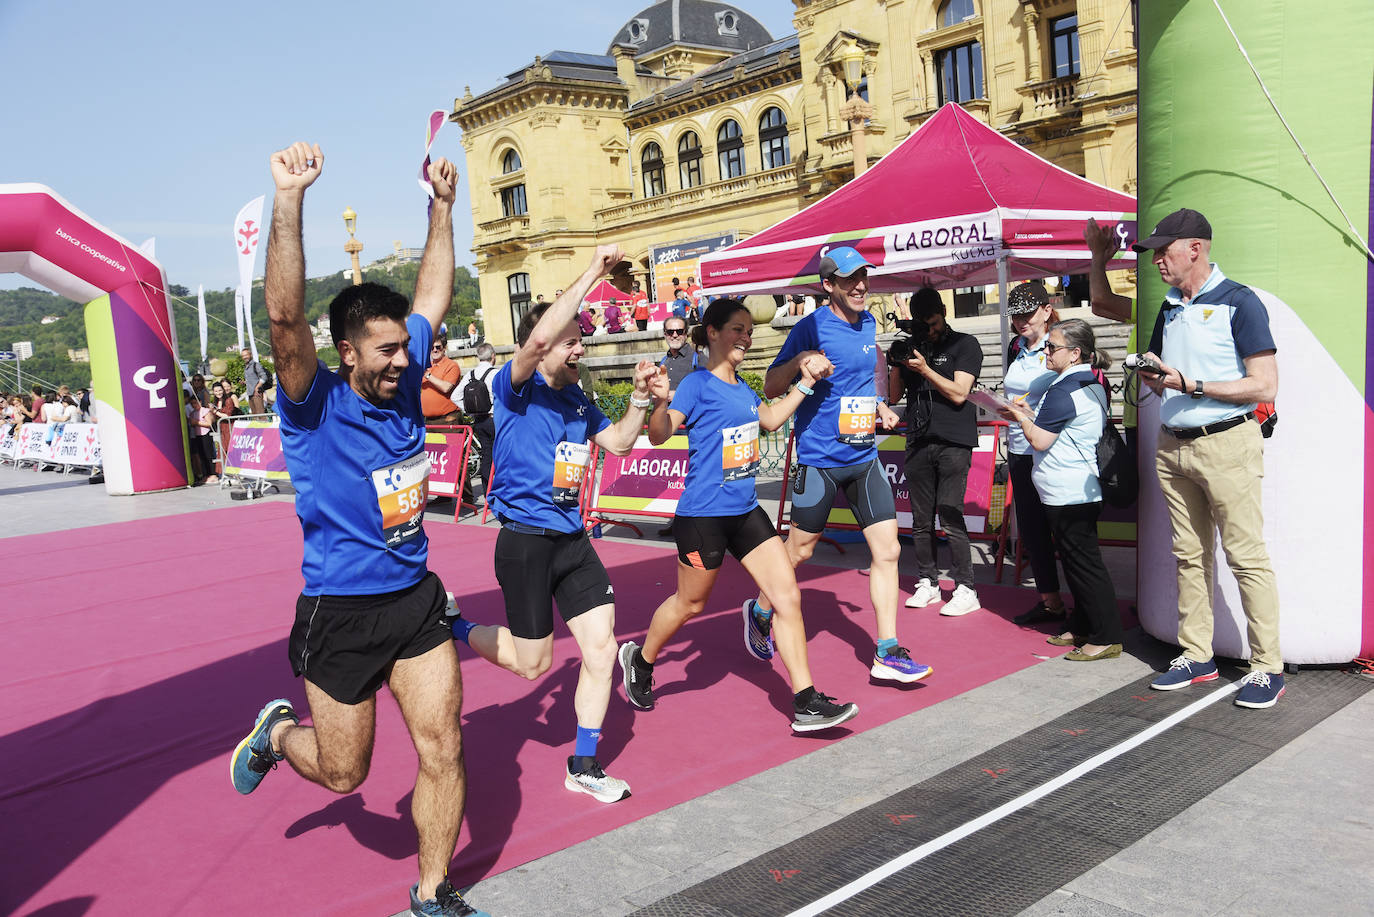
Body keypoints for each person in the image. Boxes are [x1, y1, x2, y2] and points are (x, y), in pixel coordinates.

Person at [228, 141, 489, 917]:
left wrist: (442, 207)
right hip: (338, 612)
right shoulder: (314, 402)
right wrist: (289, 198)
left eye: (405, 348)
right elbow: (282, 317)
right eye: (385, 351)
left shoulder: (405, 378)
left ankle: (433, 892)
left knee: (443, 745)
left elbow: (434, 293)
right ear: (345, 353)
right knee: (346, 772)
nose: (403, 361)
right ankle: (277, 735)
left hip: (414, 598)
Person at [450, 244, 657, 806]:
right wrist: (594, 270)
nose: (579, 347)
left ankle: (584, 764)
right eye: (572, 340)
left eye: (581, 338)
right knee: (533, 665)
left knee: (600, 649)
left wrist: (639, 399)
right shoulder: (514, 387)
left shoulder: (577, 399)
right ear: (539, 347)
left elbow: (616, 442)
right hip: (523, 545)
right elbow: (540, 340)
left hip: (572, 543)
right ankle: (455, 627)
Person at [618, 298, 860, 732]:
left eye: (749, 330)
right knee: (690, 604)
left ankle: (805, 701)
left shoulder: (743, 387)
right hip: (704, 516)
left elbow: (769, 419)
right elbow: (658, 436)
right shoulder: (695, 384)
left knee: (787, 597)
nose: (746, 337)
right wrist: (655, 403)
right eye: (737, 329)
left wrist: (803, 384)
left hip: (747, 512)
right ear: (712, 332)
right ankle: (641, 657)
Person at [751, 245, 929, 684]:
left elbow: (860, 381)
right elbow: (772, 384)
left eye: (864, 277)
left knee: (888, 551)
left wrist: (879, 408)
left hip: (864, 456)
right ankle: (758, 609)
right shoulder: (810, 326)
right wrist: (799, 361)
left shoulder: (869, 321)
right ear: (828, 285)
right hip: (819, 461)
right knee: (799, 552)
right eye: (850, 279)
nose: (861, 286)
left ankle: (887, 651)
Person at [1133, 208, 1284, 708]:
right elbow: (1164, 370)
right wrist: (1155, 373)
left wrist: (1192, 384)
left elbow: (1265, 385)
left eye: (1163, 251)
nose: (1156, 261)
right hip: (1173, 445)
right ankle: (1197, 655)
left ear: (1194, 249)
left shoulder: (1240, 302)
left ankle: (1267, 667)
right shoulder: (1171, 306)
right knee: (1188, 555)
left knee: (1246, 557)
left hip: (1227, 444)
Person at [1003, 319, 1121, 661]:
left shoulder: (1065, 388)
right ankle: (1083, 625)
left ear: (1075, 353)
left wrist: (1021, 417)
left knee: (1085, 566)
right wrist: (1029, 414)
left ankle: (1106, 635)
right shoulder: (1082, 382)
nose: (1046, 353)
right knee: (1076, 563)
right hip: (1073, 487)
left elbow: (1039, 438)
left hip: (1070, 490)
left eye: (1052, 348)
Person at [890, 288, 984, 617]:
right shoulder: (914, 344)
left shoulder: (965, 344)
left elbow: (959, 393)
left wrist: (926, 369)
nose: (928, 330)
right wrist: (898, 362)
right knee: (919, 520)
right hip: (917, 438)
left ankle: (965, 588)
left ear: (943, 312)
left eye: (931, 322)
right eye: (922, 324)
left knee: (951, 514)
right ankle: (928, 582)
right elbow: (893, 394)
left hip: (954, 440)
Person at [1000, 283, 1069, 627]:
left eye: (1027, 313)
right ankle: (1050, 601)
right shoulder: (1017, 347)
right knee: (1032, 529)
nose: (1021, 321)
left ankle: (1084, 608)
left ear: (1046, 309)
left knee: (1064, 529)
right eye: (1016, 315)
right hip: (1018, 446)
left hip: (1051, 447)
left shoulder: (1062, 344)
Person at [458, 342, 498, 502]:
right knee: (501, 456)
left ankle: (488, 493)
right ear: (493, 356)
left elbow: (455, 396)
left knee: (486, 457)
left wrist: (470, 410)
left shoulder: (470, 374)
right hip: (494, 419)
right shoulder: (496, 374)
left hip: (479, 420)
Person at [421, 330, 463, 424]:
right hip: (428, 420)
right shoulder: (427, 366)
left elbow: (446, 387)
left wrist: (427, 375)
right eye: (431, 347)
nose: (435, 350)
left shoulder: (452, 365)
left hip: (447, 420)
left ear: (444, 348)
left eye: (438, 347)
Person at [658, 316, 698, 399]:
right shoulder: (664, 361)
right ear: (665, 334)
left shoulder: (698, 358)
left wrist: (678, 395)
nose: (675, 335)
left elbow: (709, 391)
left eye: (679, 331)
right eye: (670, 332)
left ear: (686, 334)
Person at [209, 380, 239, 461]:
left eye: (220, 390)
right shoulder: (217, 401)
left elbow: (227, 416)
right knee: (223, 450)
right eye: (216, 391)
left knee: (231, 449)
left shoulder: (228, 400)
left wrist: (215, 411)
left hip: (229, 428)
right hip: (222, 429)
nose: (218, 393)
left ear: (223, 390)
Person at [241, 347, 267, 415]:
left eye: (246, 355)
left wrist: (257, 387)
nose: (244, 357)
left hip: (257, 393)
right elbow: (253, 380)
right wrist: (244, 382)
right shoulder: (246, 367)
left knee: (260, 415)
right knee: (254, 415)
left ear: (250, 355)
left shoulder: (256, 365)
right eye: (243, 356)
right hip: (250, 394)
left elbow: (264, 377)